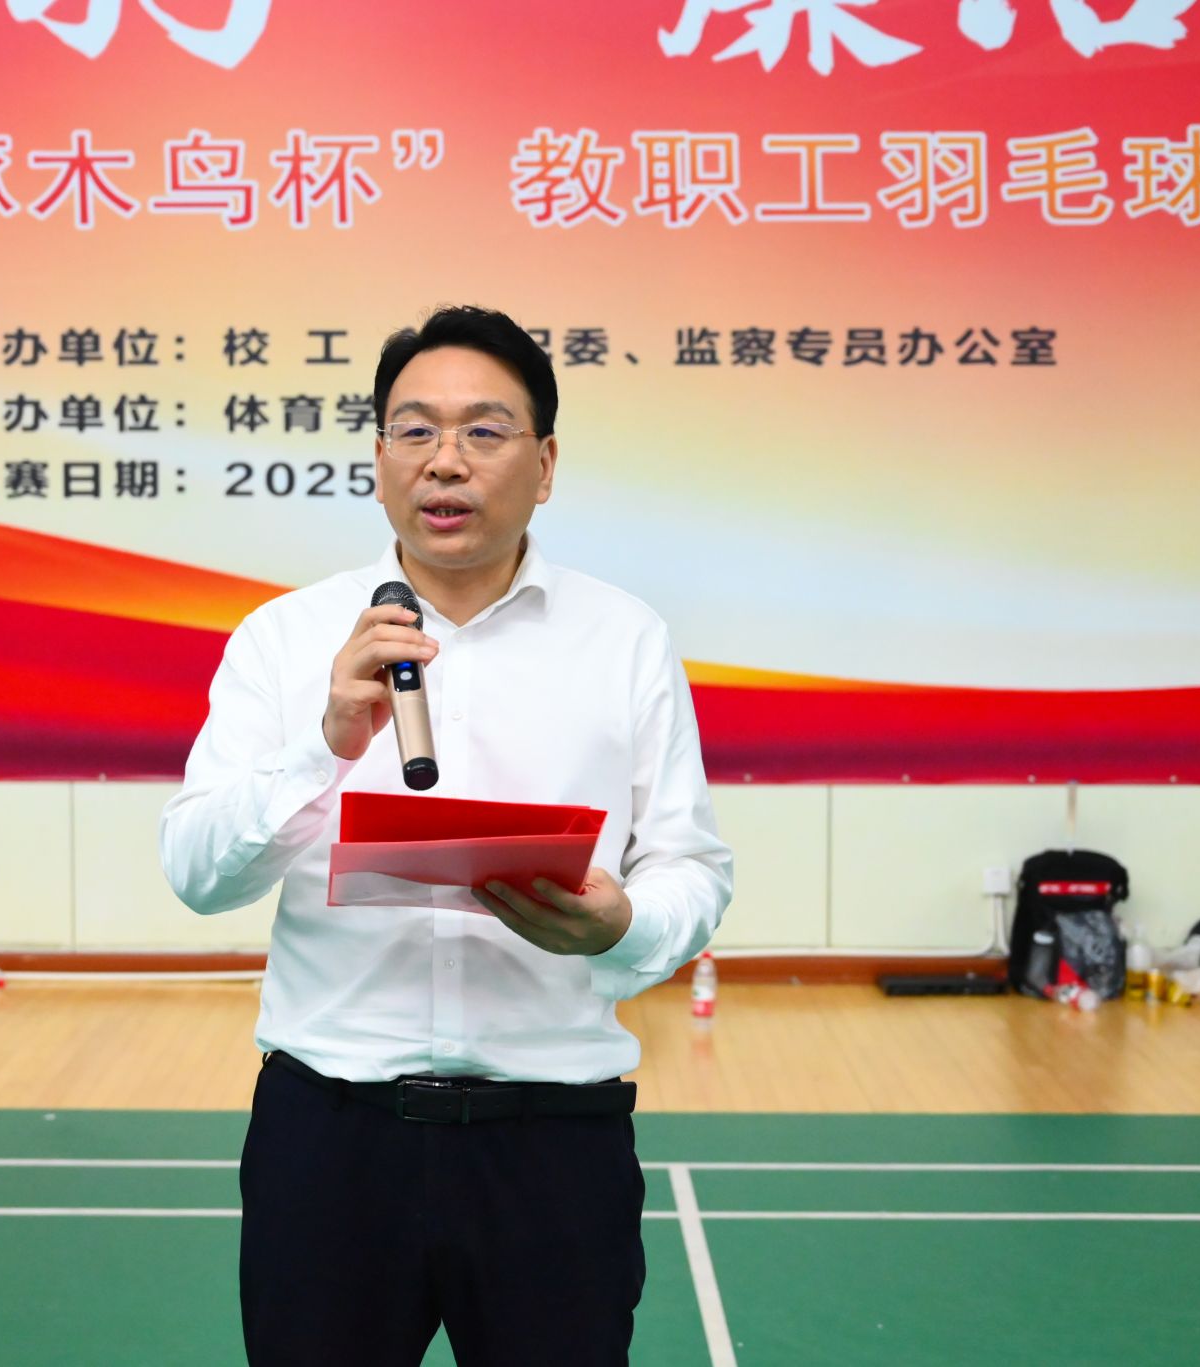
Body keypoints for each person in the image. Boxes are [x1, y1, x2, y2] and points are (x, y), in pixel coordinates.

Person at [160, 305, 732, 1367]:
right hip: (328, 1143)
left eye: (483, 430)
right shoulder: (285, 638)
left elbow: (691, 868)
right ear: (378, 457)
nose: (445, 460)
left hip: (552, 1144)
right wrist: (323, 743)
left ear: (544, 464)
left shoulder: (623, 638)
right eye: (414, 429)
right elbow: (195, 872)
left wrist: (618, 926)